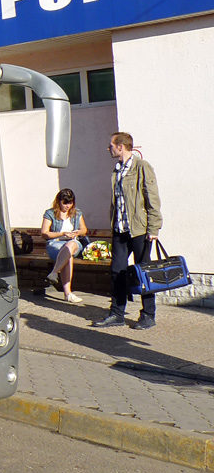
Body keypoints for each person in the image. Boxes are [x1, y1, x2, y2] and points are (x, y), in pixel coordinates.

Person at [93, 132, 162, 330]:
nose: (109, 149)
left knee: (143, 271)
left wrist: (154, 228)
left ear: (120, 146)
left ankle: (148, 314)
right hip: (120, 229)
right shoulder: (117, 170)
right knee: (117, 271)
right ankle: (117, 314)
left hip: (139, 229)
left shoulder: (141, 167)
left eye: (111, 145)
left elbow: (152, 198)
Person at [41, 188, 86, 303]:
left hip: (73, 243)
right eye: (64, 203)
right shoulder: (50, 213)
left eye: (70, 203)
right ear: (58, 201)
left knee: (70, 246)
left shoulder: (77, 213)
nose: (67, 206)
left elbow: (84, 230)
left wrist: (77, 233)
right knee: (67, 255)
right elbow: (44, 233)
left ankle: (54, 272)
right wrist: (62, 233)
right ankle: (68, 294)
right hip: (55, 243)